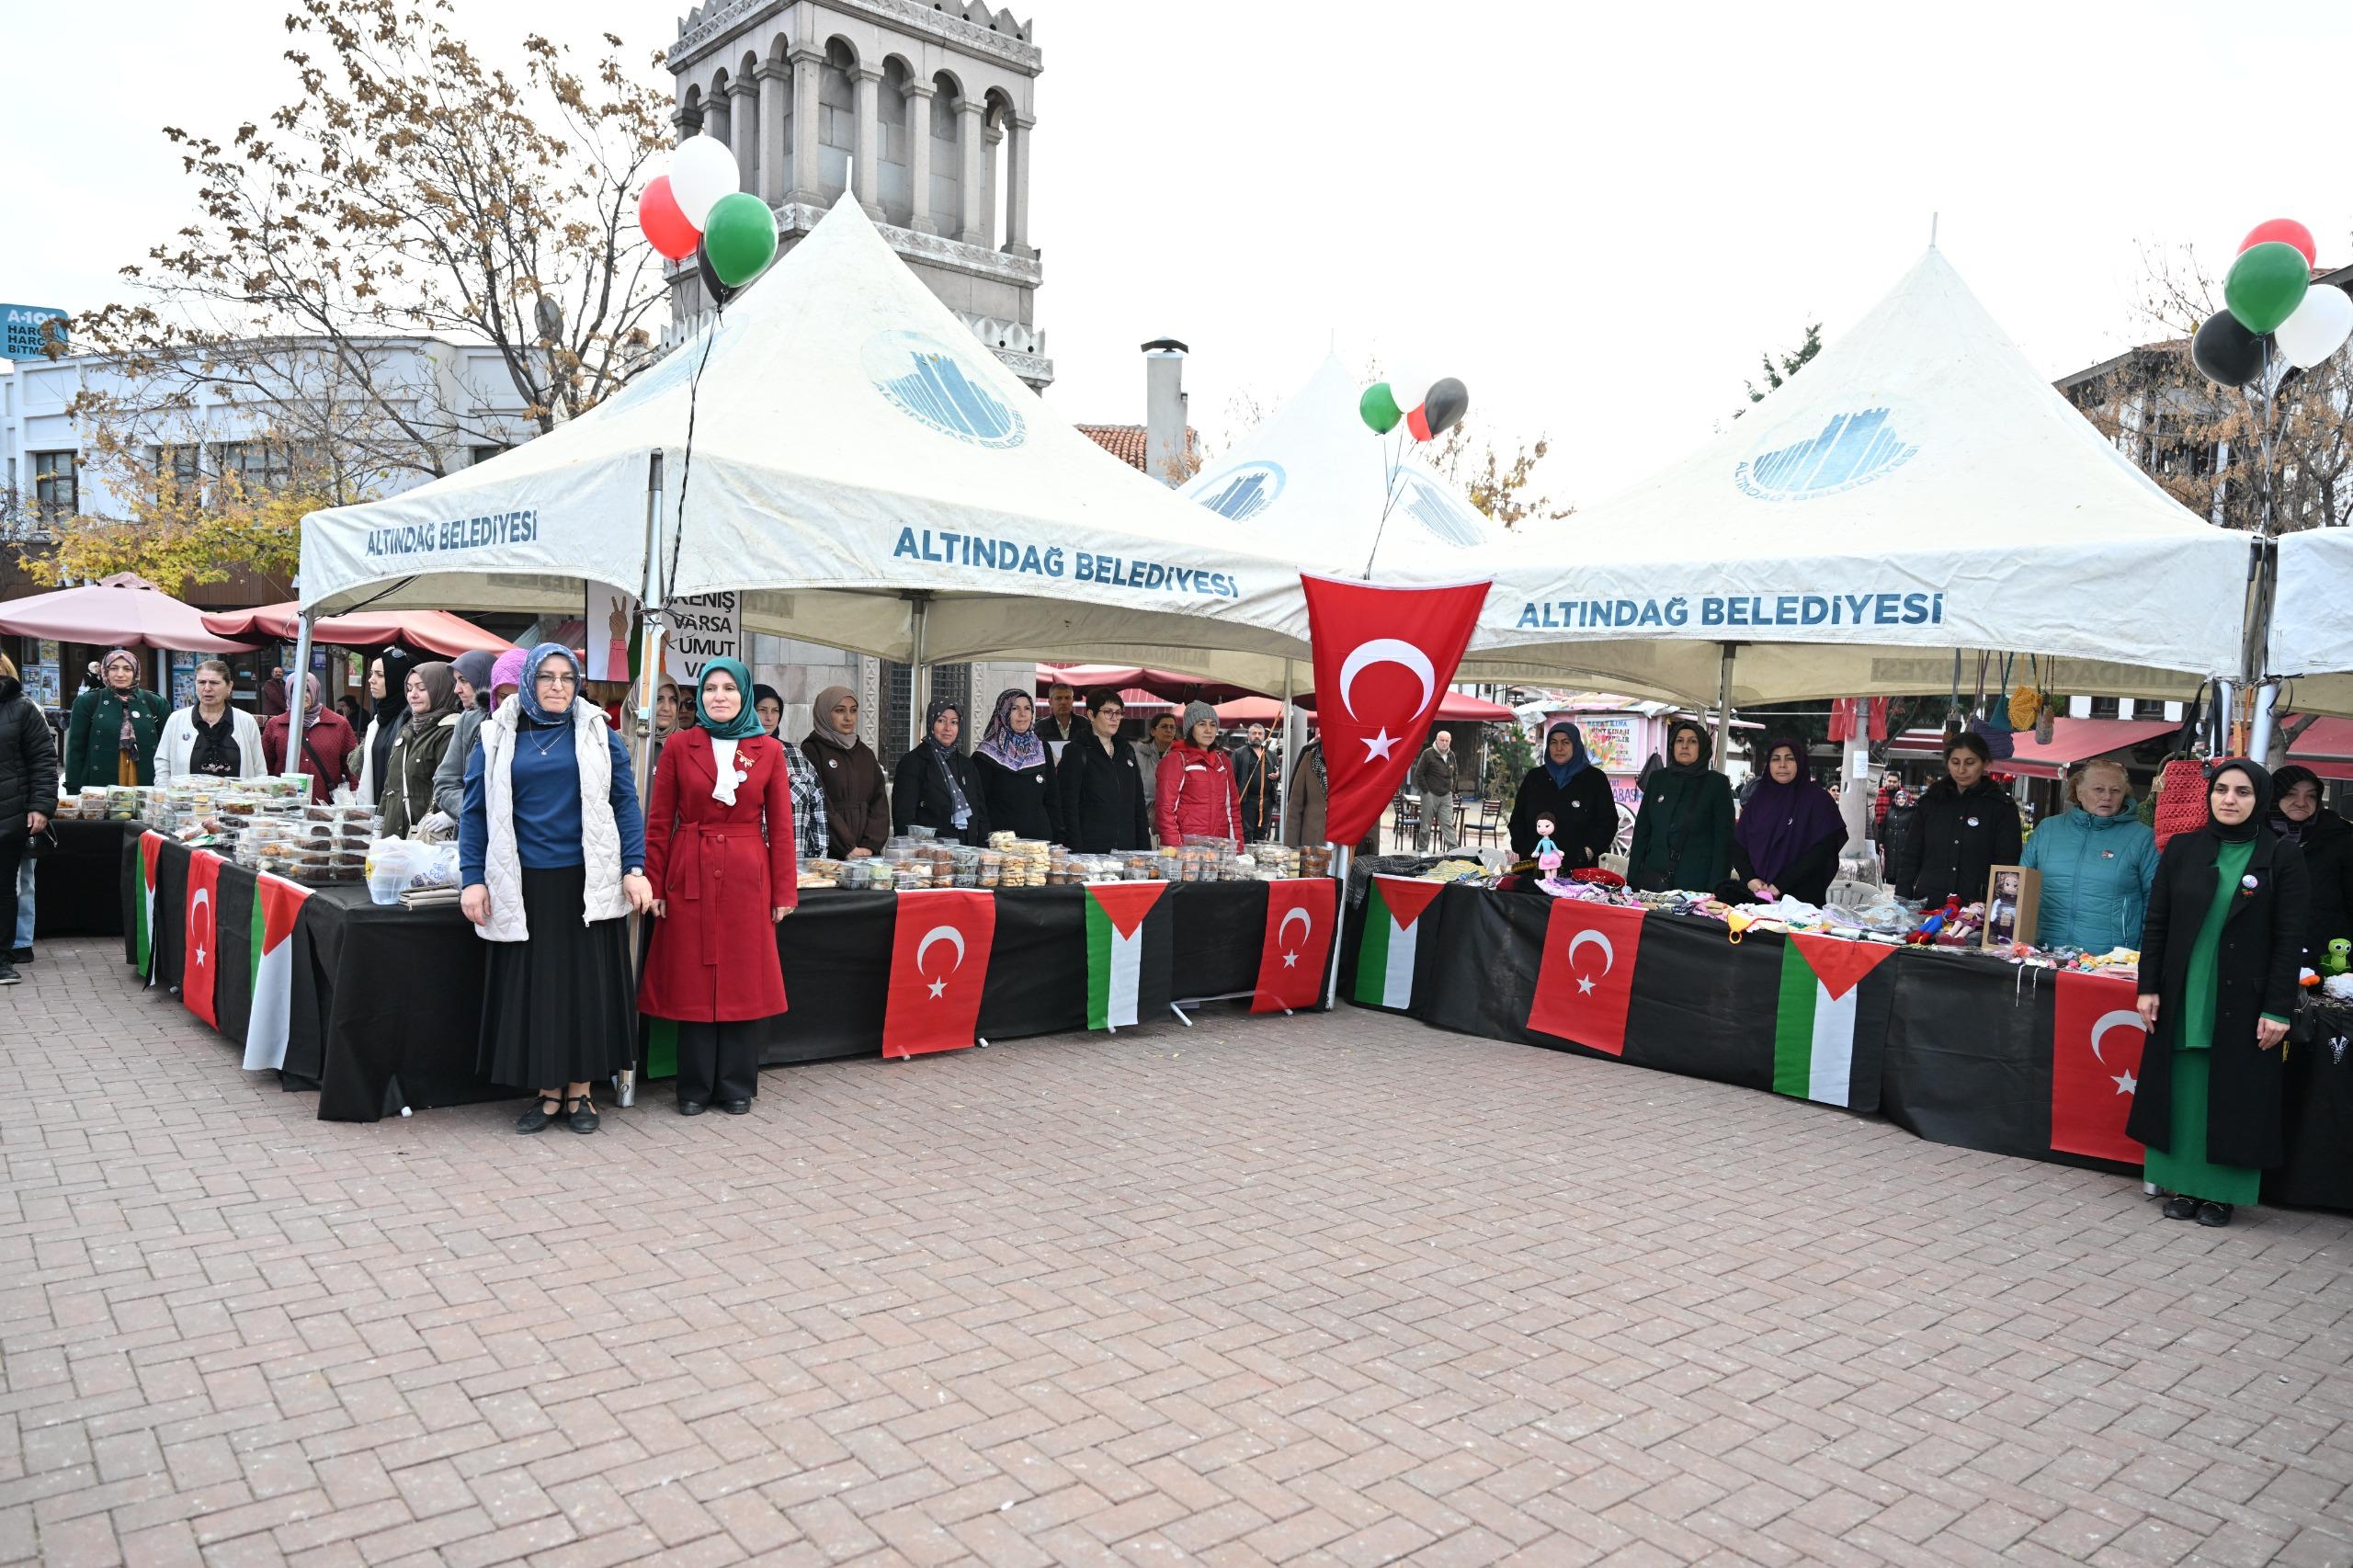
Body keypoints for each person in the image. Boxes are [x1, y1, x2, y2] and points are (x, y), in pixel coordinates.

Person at [460, 644, 653, 1135]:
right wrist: (473, 879)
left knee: (585, 990)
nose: (557, 686)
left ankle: (582, 1094)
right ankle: (547, 1094)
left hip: (588, 881)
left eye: (567, 677)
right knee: (540, 992)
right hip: (523, 883)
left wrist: (634, 866)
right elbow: (475, 812)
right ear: (529, 680)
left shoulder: (598, 731)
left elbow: (625, 804)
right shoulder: (496, 733)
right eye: (546, 676)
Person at [2131, 759, 2307, 1229]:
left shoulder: (2282, 856)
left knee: (2234, 1092)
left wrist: (2277, 1008)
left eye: (2243, 792)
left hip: (2244, 999)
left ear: (2261, 799)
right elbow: (2157, 922)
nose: (2230, 799)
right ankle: (2183, 1185)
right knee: (2184, 1088)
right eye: (2222, 789)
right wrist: (2148, 986)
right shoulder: (2183, 848)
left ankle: (2221, 1194)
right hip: (2183, 991)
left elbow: (2290, 938)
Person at [639, 657, 797, 1117]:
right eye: (710, 688)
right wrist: (655, 884)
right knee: (692, 979)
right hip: (689, 867)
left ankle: (736, 1084)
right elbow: (659, 821)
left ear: (743, 694)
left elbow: (781, 827)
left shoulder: (768, 749)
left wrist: (784, 891)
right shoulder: (680, 745)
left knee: (742, 979)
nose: (719, 696)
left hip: (748, 874)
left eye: (729, 688)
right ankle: (693, 1086)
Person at [2018, 759, 2159, 952]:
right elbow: (2020, 886)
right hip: (2042, 951)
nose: (2107, 797)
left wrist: (2142, 954)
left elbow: (2155, 902)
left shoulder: (2142, 838)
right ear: (2079, 792)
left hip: (2110, 958)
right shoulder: (2048, 829)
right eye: (2098, 789)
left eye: (2116, 791)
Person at [1895, 732, 2024, 907]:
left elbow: (2007, 866)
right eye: (1955, 762)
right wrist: (1900, 903)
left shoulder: (2002, 808)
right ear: (1947, 763)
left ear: (1985, 762)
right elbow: (1911, 855)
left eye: (1970, 763)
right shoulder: (1931, 802)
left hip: (1976, 911)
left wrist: (1999, 912)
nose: (1961, 770)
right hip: (1927, 906)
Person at [1724, 735, 1847, 905]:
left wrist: (1780, 885)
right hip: (1756, 897)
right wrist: (1751, 878)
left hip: (1801, 900)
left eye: (1790, 758)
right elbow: (1739, 844)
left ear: (1800, 762)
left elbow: (1821, 851)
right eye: (1776, 759)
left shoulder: (1818, 800)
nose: (1782, 764)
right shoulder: (1758, 799)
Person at [1624, 717, 1734, 893]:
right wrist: (1632, 879)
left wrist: (1716, 889)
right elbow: (1642, 832)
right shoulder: (1658, 779)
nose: (1684, 746)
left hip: (1696, 884)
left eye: (1692, 741)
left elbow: (1724, 842)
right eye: (1679, 741)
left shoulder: (1717, 784)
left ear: (1703, 747)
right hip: (1653, 881)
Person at [0, 653, 58, 987]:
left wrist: (41, 807)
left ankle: (2, 958)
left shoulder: (22, 708)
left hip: (9, 815)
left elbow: (43, 760)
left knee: (4, 889)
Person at [2268, 764, 2352, 960]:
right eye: (2290, 794)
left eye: (2311, 796)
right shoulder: (2257, 837)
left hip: (2328, 953)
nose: (2301, 802)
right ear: (2274, 796)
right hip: (2265, 948)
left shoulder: (2340, 838)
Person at [1508, 722, 1615, 868]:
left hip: (1578, 870)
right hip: (1533, 868)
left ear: (1575, 745)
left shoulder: (1595, 779)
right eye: (1554, 742)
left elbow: (1608, 823)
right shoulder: (1534, 778)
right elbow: (1517, 819)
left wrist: (1589, 851)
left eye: (1566, 742)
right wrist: (1524, 849)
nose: (1559, 748)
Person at [1058, 689, 1152, 852]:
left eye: (1118, 713)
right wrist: (1075, 851)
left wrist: (1144, 850)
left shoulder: (1127, 750)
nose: (1115, 718)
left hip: (1127, 850)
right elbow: (1068, 807)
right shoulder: (1076, 751)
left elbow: (1138, 804)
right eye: (1108, 712)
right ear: (1091, 715)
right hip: (1091, 851)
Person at [377, 660, 462, 838]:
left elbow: (449, 784)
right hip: (393, 837)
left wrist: (448, 815)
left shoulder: (449, 731)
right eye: (409, 689)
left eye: (422, 688)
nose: (413, 695)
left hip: (426, 836)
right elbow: (390, 786)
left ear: (440, 689)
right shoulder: (406, 729)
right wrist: (378, 827)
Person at [63, 649, 169, 791]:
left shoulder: (156, 703)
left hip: (146, 779)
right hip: (99, 782)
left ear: (135, 672)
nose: (120, 674)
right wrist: (73, 788)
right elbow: (75, 749)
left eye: (127, 669)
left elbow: (167, 750)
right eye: (113, 668)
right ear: (105, 671)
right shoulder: (88, 702)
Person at [802, 685, 888, 858]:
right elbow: (820, 804)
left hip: (867, 856)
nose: (848, 717)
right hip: (829, 853)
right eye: (840, 710)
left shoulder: (865, 753)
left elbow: (879, 803)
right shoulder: (812, 751)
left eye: (853, 710)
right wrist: (847, 847)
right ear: (824, 713)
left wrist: (870, 845)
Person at [892, 699, 991, 846]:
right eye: (941, 721)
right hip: (929, 854)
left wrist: (983, 850)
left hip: (967, 853)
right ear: (931, 722)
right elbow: (904, 818)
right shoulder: (913, 763)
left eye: (954, 722)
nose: (948, 728)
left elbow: (981, 815)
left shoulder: (967, 765)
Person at [154, 659, 266, 780]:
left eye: (214, 683)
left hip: (236, 793)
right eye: (201, 682)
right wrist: (164, 788)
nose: (207, 688)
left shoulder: (246, 721)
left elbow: (259, 769)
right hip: (188, 793)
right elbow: (163, 763)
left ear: (229, 686)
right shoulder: (176, 720)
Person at [261, 673, 361, 802]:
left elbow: (353, 767)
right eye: (294, 690)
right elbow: (265, 768)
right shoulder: (275, 725)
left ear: (315, 690)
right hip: (285, 807)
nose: (302, 694)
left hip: (326, 808)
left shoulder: (339, 724)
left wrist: (355, 798)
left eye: (307, 689)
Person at [972, 687, 1057, 841]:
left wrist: (1059, 838)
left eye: (1027, 708)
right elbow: (978, 805)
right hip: (1001, 845)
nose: (1022, 714)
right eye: (1014, 708)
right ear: (1003, 712)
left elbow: (1053, 799)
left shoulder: (1042, 748)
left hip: (1039, 844)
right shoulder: (985, 755)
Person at [1156, 701, 1243, 850]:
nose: (1208, 730)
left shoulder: (1223, 761)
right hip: (1187, 850)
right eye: (1202, 724)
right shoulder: (1176, 760)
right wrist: (1175, 850)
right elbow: (1165, 811)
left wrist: (1238, 850)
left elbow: (1232, 809)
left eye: (1213, 725)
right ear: (1190, 729)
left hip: (1219, 849)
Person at [430, 650, 503, 821]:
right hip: (472, 828)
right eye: (456, 681)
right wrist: (470, 812)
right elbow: (446, 781)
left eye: (464, 680)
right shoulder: (468, 721)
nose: (456, 689)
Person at [353, 650, 415, 806]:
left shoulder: (413, 719)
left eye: (380, 675)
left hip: (399, 809)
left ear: (398, 679)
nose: (371, 680)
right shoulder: (378, 719)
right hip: (375, 807)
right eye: (372, 674)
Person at [1412, 729, 1462, 852]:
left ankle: (1453, 850)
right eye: (1442, 740)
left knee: (1448, 823)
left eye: (1447, 740)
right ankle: (1423, 850)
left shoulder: (1451, 755)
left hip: (1446, 795)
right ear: (1436, 740)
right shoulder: (1428, 753)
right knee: (1426, 824)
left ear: (1450, 741)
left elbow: (1455, 773)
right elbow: (1419, 773)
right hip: (1430, 794)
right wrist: (1426, 790)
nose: (1444, 743)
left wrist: (1452, 789)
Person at [1233, 723, 1277, 843]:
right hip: (1247, 800)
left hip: (1266, 801)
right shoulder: (1239, 753)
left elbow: (1277, 772)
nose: (1257, 736)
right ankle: (1245, 854)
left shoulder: (1271, 754)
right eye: (1254, 733)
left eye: (1260, 733)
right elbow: (1232, 777)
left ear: (1264, 736)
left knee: (1262, 833)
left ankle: (1259, 854)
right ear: (1248, 736)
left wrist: (1277, 776)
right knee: (1246, 832)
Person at [1138, 712, 1178, 817]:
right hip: (1143, 815)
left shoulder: (1181, 756)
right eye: (1164, 726)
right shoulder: (1138, 755)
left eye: (1172, 727)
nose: (1169, 730)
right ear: (1153, 731)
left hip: (1173, 817)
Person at [1035, 680, 1083, 749]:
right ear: (1050, 702)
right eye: (1058, 698)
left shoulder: (1085, 725)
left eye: (1067, 698)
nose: (1063, 702)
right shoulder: (1039, 727)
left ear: (1072, 701)